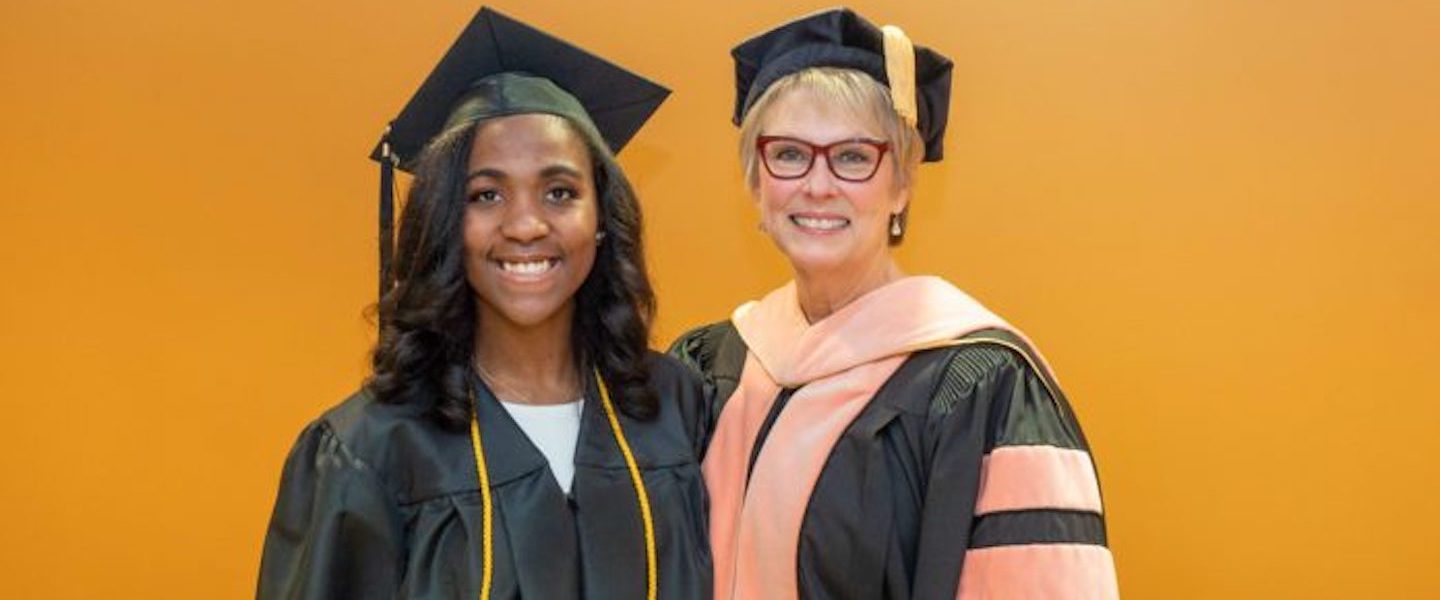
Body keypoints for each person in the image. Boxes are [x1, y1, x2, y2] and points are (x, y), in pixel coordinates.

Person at [258, 8, 711, 599]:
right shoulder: (370, 449)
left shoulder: (677, 405)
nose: (525, 225)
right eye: (486, 194)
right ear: (448, 221)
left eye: (560, 192)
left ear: (601, 218)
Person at [670, 8, 1118, 599]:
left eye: (854, 156)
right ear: (756, 182)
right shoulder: (707, 367)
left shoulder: (982, 387)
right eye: (788, 154)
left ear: (902, 184)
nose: (818, 184)